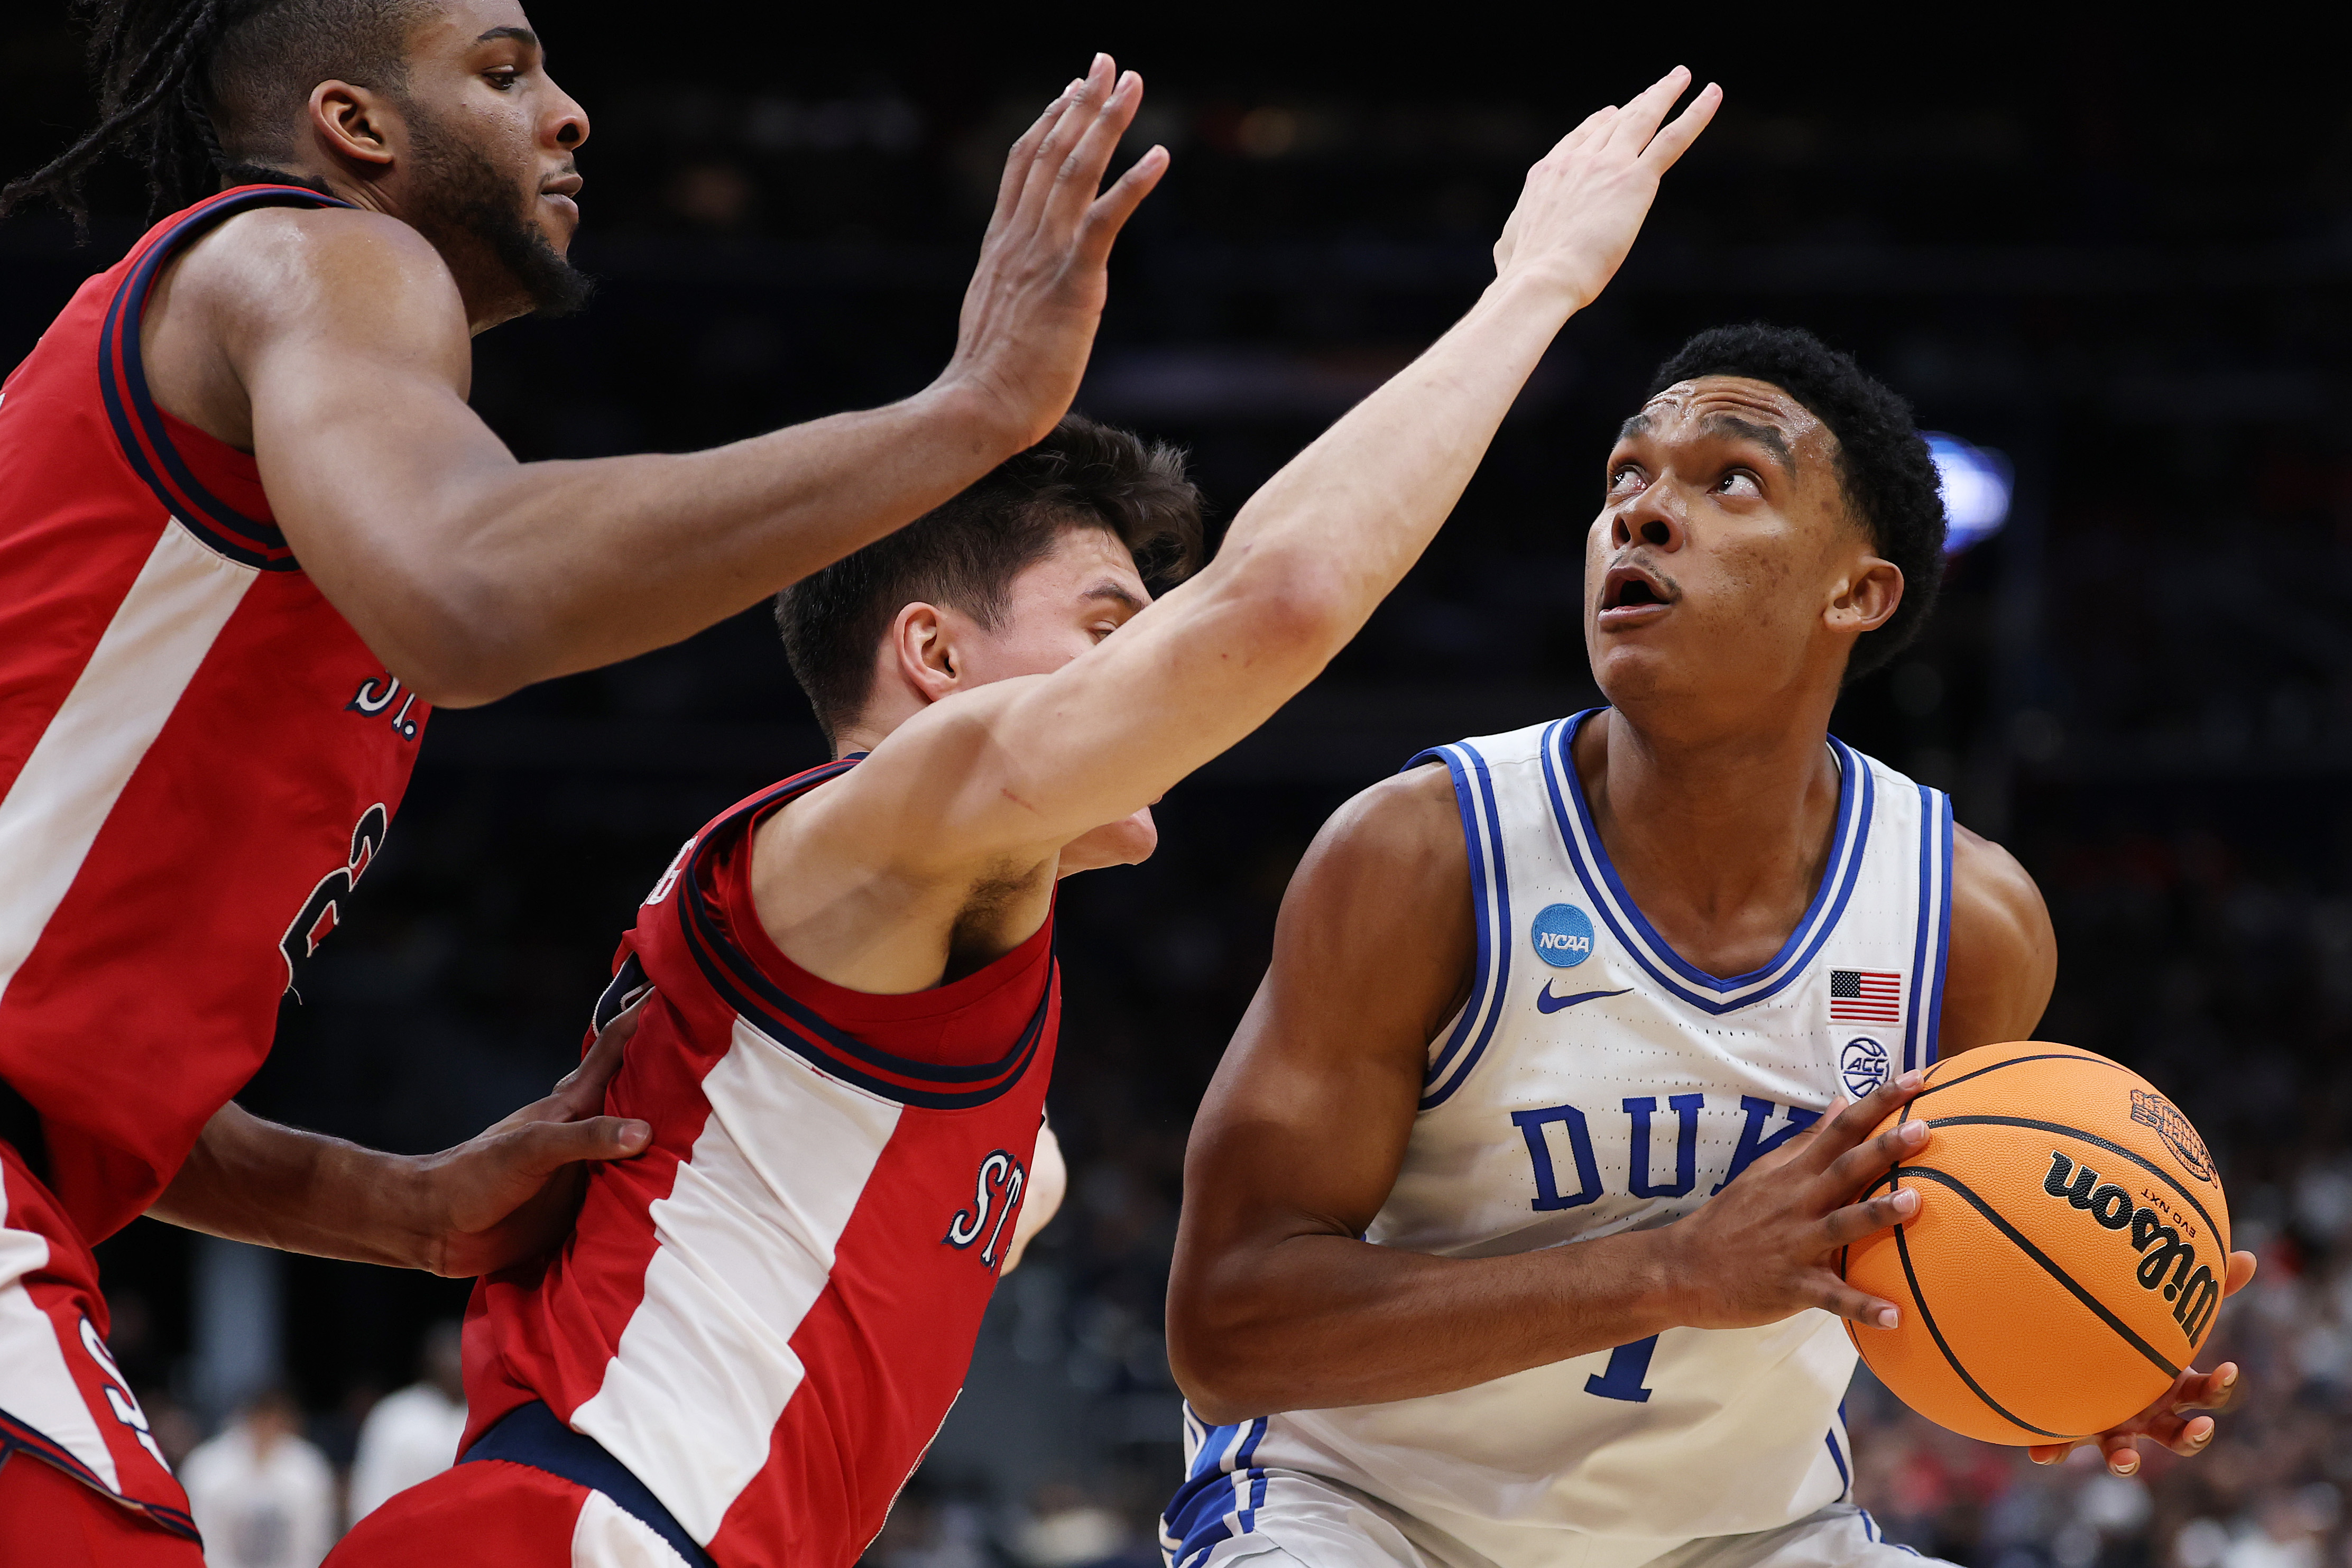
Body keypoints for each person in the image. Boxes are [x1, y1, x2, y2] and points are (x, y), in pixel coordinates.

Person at [323, 69, 1724, 1568]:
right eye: (1111, 622)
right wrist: (1536, 285)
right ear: (932, 659)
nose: (1149, 672)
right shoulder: (863, 825)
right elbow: (1284, 599)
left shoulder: (973, 1097)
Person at [0, 0, 1164, 1554]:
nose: (569, 112)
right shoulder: (327, 257)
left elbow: (77, 1078)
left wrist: (397, 1207)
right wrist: (964, 419)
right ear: (359, 127)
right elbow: (476, 595)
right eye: (502, 70)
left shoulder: (246, 475)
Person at [1157, 325, 2264, 1568]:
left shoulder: (1965, 921)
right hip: (1365, 1516)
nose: (1639, 514)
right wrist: (1669, 1269)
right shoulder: (1423, 853)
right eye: (1623, 477)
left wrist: (2070, 1351)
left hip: (1749, 1534)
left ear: (1858, 589)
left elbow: (1921, 1273)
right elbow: (1226, 1324)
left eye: (1726, 477)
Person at [178, 1388, 338, 1568]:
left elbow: (313, 1545)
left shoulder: (308, 1467)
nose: (267, 1427)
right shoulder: (206, 1466)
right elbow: (201, 1541)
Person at [346, 1321, 467, 1526]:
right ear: (429, 1360)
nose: (457, 1363)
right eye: (449, 1353)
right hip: (404, 1537)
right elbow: (371, 1492)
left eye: (462, 1352)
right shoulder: (396, 1415)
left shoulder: (482, 1413)